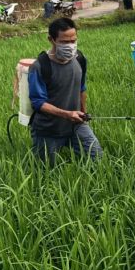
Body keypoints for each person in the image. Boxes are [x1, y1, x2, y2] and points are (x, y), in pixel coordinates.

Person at [28, 17, 103, 164]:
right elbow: (38, 102)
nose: (70, 46)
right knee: (46, 171)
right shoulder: (40, 66)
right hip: (48, 129)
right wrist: (67, 114)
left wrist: (83, 114)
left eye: (73, 41)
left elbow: (81, 88)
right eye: (64, 42)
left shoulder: (80, 59)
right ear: (51, 39)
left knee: (97, 159)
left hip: (75, 124)